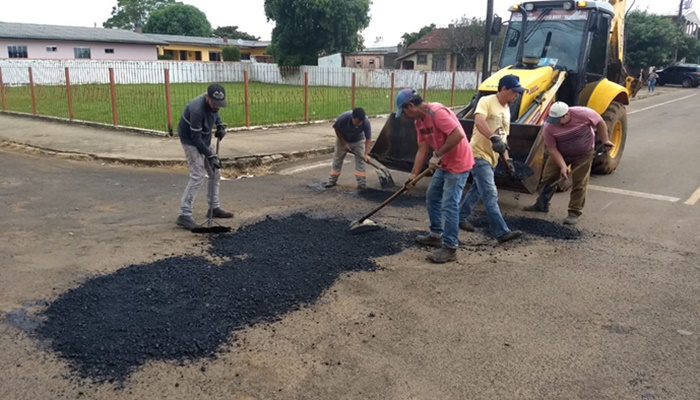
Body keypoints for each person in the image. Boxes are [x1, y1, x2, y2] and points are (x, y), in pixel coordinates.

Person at [396, 88, 474, 264]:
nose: (404, 116)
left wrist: (438, 154)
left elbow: (458, 134)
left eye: (404, 111)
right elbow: (422, 148)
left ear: (410, 105)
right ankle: (436, 234)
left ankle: (450, 247)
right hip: (443, 162)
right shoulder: (419, 122)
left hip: (459, 163)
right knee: (432, 197)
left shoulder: (437, 112)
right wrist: (413, 176)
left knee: (449, 204)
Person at [522, 102, 614, 225]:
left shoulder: (583, 114)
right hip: (561, 152)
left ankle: (574, 212)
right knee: (548, 177)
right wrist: (562, 166)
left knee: (579, 182)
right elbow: (552, 149)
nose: (556, 123)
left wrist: (605, 140)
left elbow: (600, 122)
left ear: (566, 115)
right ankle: (541, 204)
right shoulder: (549, 126)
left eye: (558, 120)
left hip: (584, 153)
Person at [458, 75, 523, 244]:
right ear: (503, 89)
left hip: (493, 157)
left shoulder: (507, 109)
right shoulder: (486, 101)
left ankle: (460, 216)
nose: (517, 95)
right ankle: (501, 231)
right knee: (490, 193)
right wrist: (493, 137)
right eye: (514, 92)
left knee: (477, 189)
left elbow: (504, 137)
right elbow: (479, 122)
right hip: (479, 153)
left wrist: (507, 160)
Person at [175, 83, 234, 230]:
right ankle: (184, 214)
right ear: (207, 97)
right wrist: (211, 155)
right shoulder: (196, 109)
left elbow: (215, 114)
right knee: (198, 175)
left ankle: (214, 208)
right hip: (191, 141)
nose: (217, 107)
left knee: (215, 173)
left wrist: (220, 126)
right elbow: (196, 139)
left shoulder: (214, 105)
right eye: (215, 104)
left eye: (219, 104)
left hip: (204, 138)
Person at [324, 108, 372, 190]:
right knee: (337, 159)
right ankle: (332, 180)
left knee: (361, 161)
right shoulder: (343, 118)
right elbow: (337, 129)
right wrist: (344, 144)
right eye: (357, 122)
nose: (359, 125)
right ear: (352, 117)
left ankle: (362, 183)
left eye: (360, 123)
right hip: (343, 138)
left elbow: (368, 138)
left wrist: (366, 154)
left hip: (358, 140)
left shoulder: (366, 122)